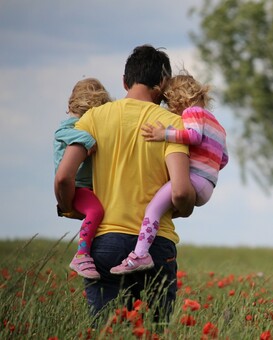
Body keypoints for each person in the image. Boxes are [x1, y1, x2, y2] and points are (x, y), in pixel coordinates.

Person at [54, 44, 196, 321]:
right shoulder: (172, 125)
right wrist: (187, 206)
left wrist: (69, 206)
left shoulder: (93, 118)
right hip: (156, 245)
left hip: (104, 243)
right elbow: (180, 191)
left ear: (124, 81)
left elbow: (63, 177)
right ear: (163, 84)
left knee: (106, 329)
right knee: (153, 331)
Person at [110, 72, 229, 275]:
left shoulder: (192, 112)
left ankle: (140, 254)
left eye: (168, 102)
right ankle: (145, 245)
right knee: (163, 209)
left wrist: (163, 134)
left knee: (153, 209)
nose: (169, 108)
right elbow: (224, 159)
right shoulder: (218, 125)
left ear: (178, 98)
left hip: (193, 179)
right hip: (208, 185)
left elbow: (192, 136)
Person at [53, 78, 111, 280]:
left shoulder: (81, 124)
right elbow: (62, 133)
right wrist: (88, 140)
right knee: (96, 210)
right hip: (77, 186)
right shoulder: (71, 126)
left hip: (86, 186)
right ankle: (82, 254)